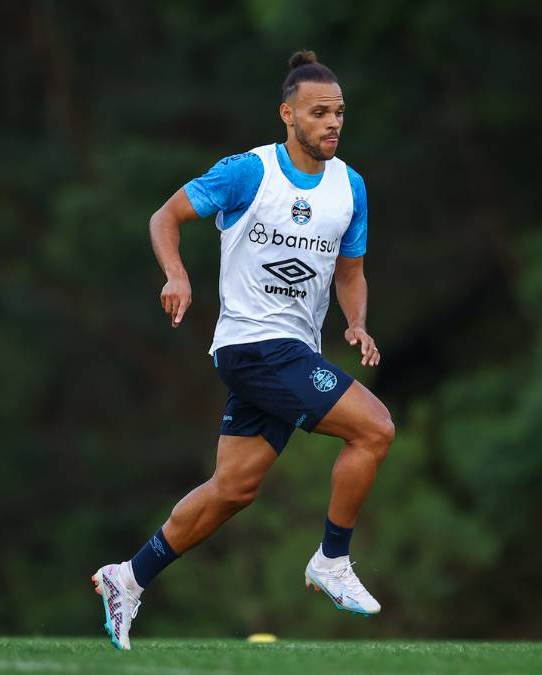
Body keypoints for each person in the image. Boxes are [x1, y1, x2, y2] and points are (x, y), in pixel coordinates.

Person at [92, 50, 394, 650]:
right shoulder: (247, 173)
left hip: (289, 353)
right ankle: (332, 560)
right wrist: (176, 276)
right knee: (376, 429)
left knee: (232, 489)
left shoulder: (350, 187)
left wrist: (356, 322)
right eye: (318, 113)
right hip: (254, 346)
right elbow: (165, 217)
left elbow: (350, 271)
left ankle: (127, 576)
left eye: (339, 113)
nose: (333, 123)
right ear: (288, 115)